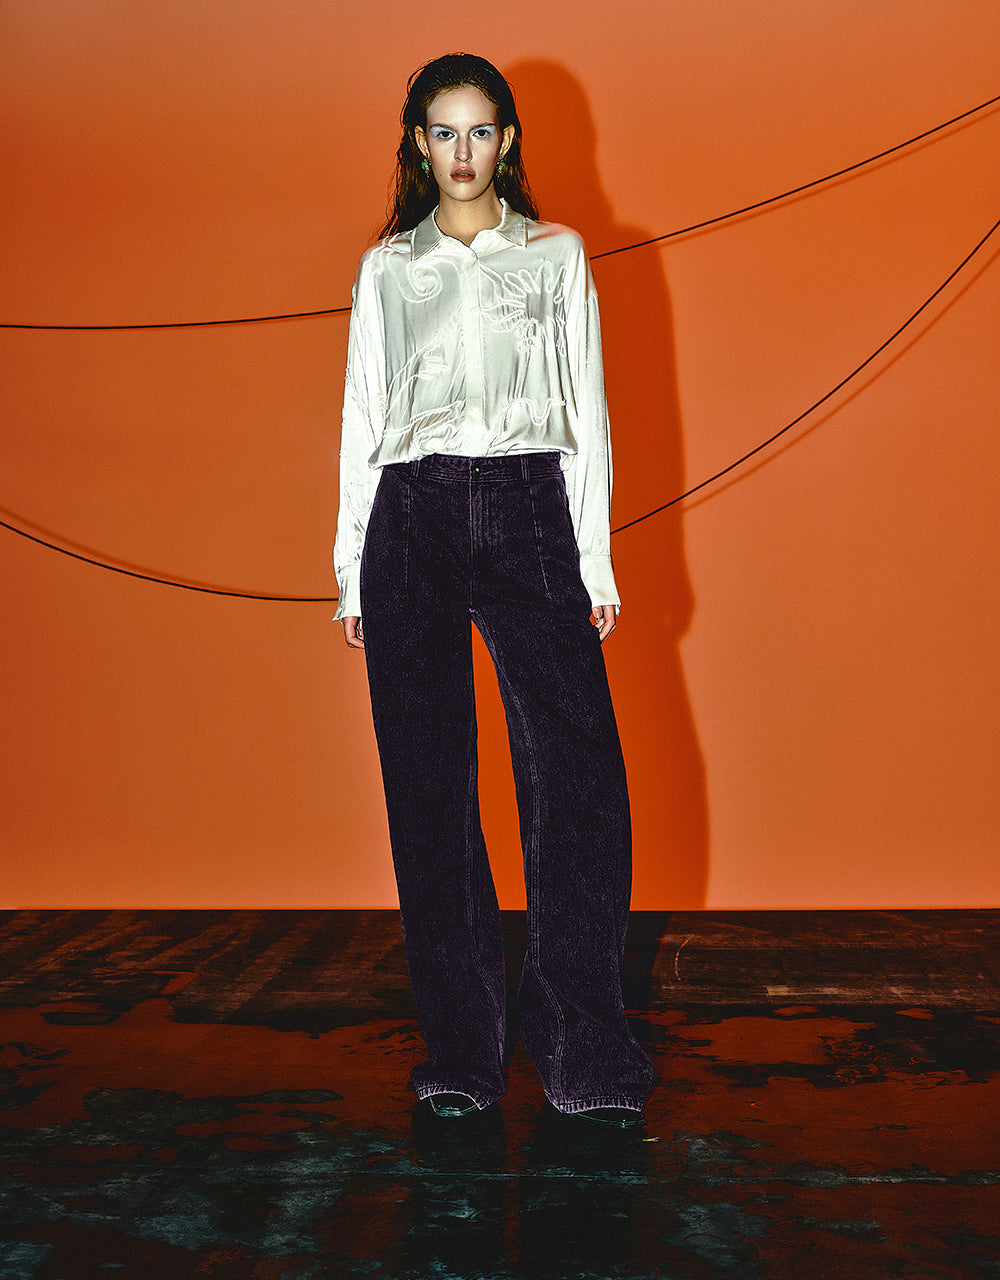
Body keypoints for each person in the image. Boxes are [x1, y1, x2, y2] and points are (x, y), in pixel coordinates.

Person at [334, 52, 652, 1128]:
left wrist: (594, 562)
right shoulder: (387, 269)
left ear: (506, 141)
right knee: (428, 787)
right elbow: (362, 419)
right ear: (418, 146)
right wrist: (350, 569)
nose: (461, 152)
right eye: (443, 132)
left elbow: (588, 412)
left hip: (528, 509)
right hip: (411, 516)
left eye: (480, 131)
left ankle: (584, 1047)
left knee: (577, 781)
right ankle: (463, 1051)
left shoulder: (556, 255)